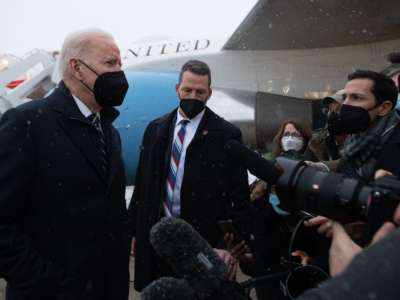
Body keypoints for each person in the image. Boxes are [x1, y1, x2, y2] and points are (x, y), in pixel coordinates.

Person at [0, 29, 130, 300]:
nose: (119, 72)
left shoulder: (109, 131)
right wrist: (47, 281)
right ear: (77, 68)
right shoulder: (27, 123)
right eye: (110, 63)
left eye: (119, 64)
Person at [129, 60, 250, 291]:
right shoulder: (155, 129)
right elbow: (142, 186)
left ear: (209, 94)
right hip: (159, 241)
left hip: (202, 245)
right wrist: (135, 231)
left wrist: (225, 244)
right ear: (177, 90)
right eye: (187, 90)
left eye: (200, 92)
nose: (193, 96)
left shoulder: (226, 135)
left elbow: (239, 198)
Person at [320, 70, 400, 181]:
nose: (345, 104)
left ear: (384, 108)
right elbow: (346, 163)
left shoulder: (394, 145)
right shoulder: (356, 134)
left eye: (356, 97)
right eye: (344, 98)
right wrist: (320, 167)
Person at [304, 90, 347, 162]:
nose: (332, 114)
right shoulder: (316, 143)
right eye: (330, 109)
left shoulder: (361, 140)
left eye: (338, 109)